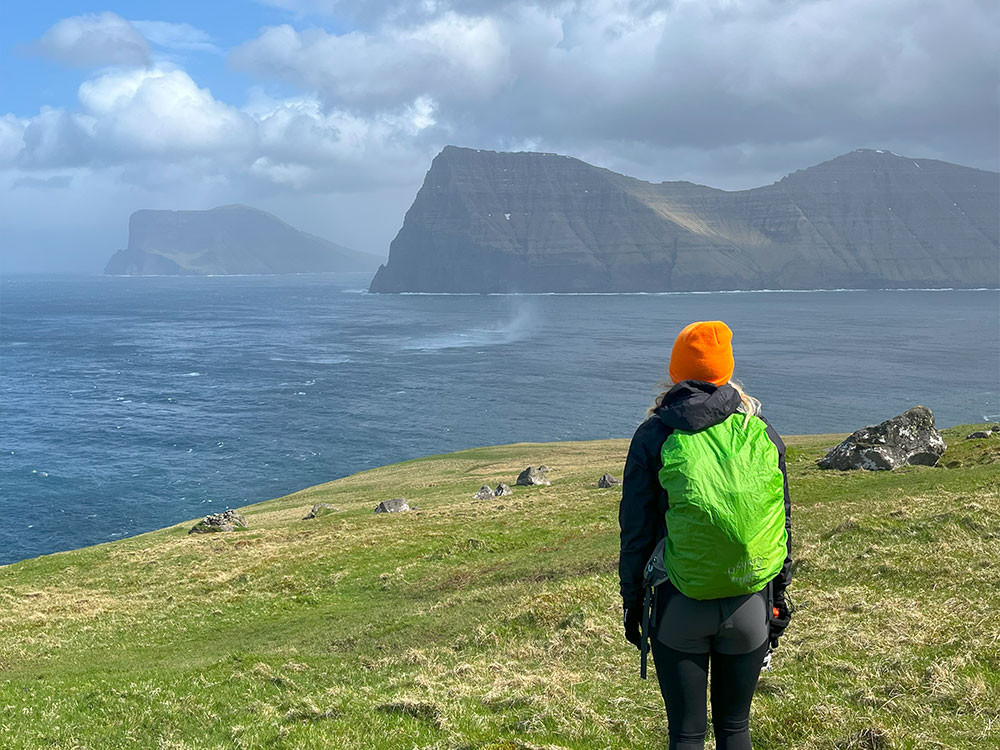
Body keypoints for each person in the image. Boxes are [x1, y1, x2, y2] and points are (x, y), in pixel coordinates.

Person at [618, 320, 792, 750]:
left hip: (679, 604)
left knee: (686, 734)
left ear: (676, 373)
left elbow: (636, 531)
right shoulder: (761, 432)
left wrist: (632, 602)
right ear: (726, 372)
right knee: (736, 730)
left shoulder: (654, 436)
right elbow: (781, 521)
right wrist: (780, 597)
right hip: (750, 603)